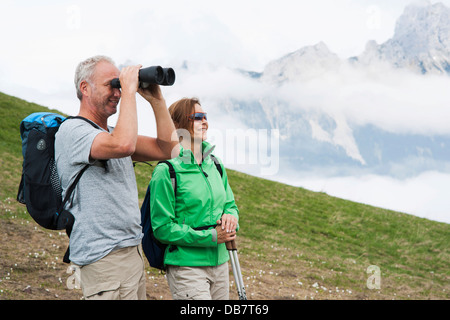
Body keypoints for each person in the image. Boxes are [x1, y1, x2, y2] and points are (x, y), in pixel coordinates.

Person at [54, 55, 177, 300]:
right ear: (84, 88)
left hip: (130, 252)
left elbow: (169, 149)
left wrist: (157, 100)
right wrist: (130, 91)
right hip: (103, 257)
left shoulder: (111, 134)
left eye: (119, 86)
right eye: (112, 84)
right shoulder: (73, 131)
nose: (118, 93)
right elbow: (123, 145)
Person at [149, 97, 240, 300]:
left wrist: (231, 217)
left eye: (205, 116)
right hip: (187, 267)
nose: (204, 121)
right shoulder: (167, 170)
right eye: (197, 117)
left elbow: (230, 204)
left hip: (220, 263)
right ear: (180, 124)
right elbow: (162, 228)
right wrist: (211, 237)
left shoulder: (214, 163)